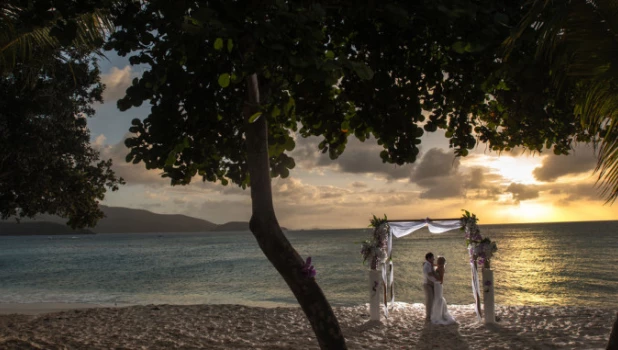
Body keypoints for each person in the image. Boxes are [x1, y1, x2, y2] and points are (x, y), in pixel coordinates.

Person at [430, 256, 456, 325]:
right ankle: (438, 313)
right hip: (436, 285)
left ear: (440, 262)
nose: (437, 261)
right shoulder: (439, 266)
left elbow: (441, 279)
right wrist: (430, 264)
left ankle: (438, 315)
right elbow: (435, 265)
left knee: (438, 298)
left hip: (438, 284)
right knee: (437, 298)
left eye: (438, 260)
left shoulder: (441, 268)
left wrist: (432, 275)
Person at [422, 252, 440, 322]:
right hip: (427, 284)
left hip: (430, 284)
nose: (434, 259)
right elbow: (429, 275)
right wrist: (437, 280)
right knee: (430, 300)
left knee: (432, 299)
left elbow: (433, 269)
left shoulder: (429, 264)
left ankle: (431, 314)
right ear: (429, 258)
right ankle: (428, 316)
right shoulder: (427, 265)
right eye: (433, 258)